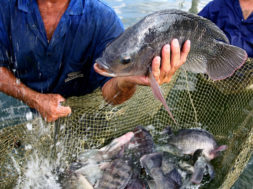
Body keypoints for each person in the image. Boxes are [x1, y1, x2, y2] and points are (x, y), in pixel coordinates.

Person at [0, 0, 191, 122]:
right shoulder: (5, 8)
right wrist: (34, 99)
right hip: (25, 105)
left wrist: (126, 81)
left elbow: (111, 93)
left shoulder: (103, 18)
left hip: (85, 113)